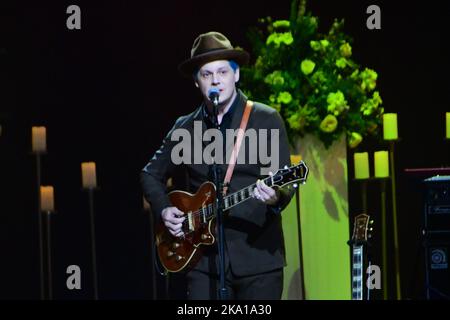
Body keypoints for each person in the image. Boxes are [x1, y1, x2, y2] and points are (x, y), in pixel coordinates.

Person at [141, 31, 294, 300]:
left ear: (236, 75)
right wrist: (164, 210)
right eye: (206, 74)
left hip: (258, 261)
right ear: (196, 82)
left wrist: (275, 196)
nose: (216, 81)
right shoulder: (185, 128)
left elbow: (284, 182)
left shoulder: (265, 119)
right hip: (203, 263)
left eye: (222, 72)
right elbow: (149, 174)